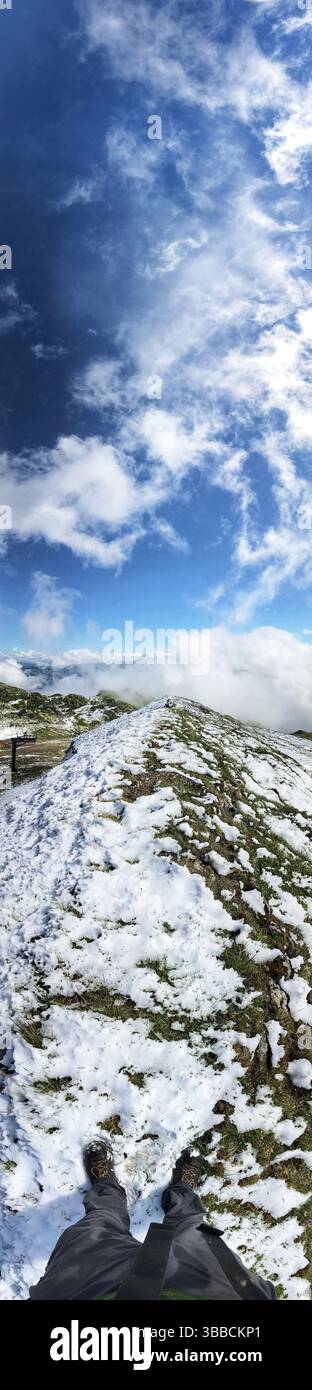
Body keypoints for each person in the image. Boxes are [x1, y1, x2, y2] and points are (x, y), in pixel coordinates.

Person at [29, 1142, 277, 1301]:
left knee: (95, 1230)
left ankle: (107, 1192)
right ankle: (181, 1194)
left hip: (91, 1295)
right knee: (192, 1227)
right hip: (208, 1290)